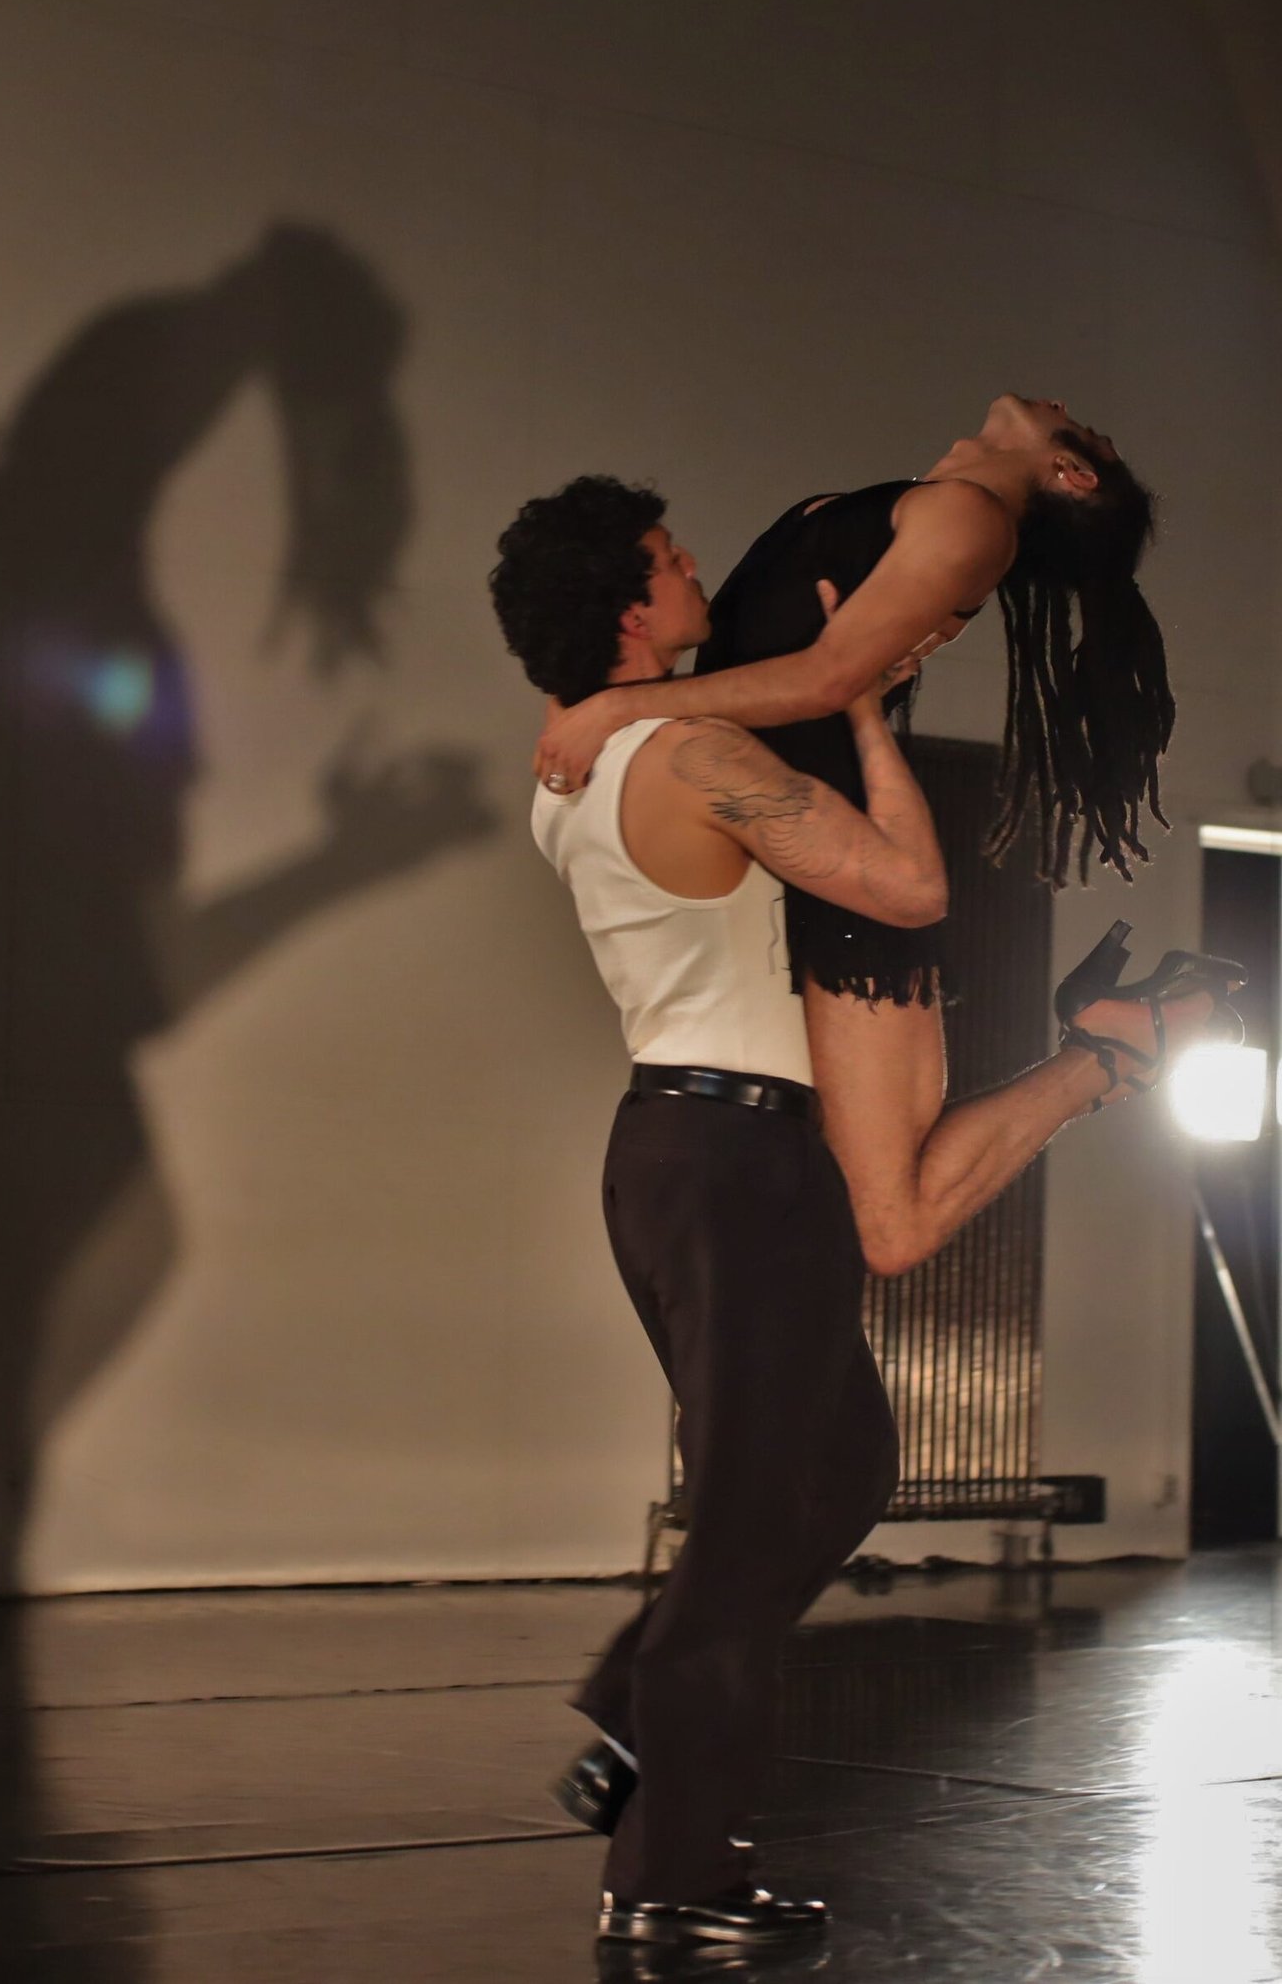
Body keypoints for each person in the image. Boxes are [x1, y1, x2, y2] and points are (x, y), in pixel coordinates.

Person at [489, 475, 1238, 1955]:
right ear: (630, 610)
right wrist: (872, 727)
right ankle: (673, 1881)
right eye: (669, 558)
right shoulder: (691, 751)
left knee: (843, 1472)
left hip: (679, 1150)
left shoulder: (577, 767)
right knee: (751, 1524)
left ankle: (633, 1715)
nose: (695, 569)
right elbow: (902, 887)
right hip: (743, 1164)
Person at [532, 397, 1198, 1278]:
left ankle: (1114, 1053)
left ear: (1071, 473)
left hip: (849, 887)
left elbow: (827, 678)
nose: (1068, 408)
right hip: (789, 859)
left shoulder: (972, 520)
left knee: (890, 1227)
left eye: (1092, 435)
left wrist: (619, 706)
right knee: (841, 1202)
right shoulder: (921, 506)